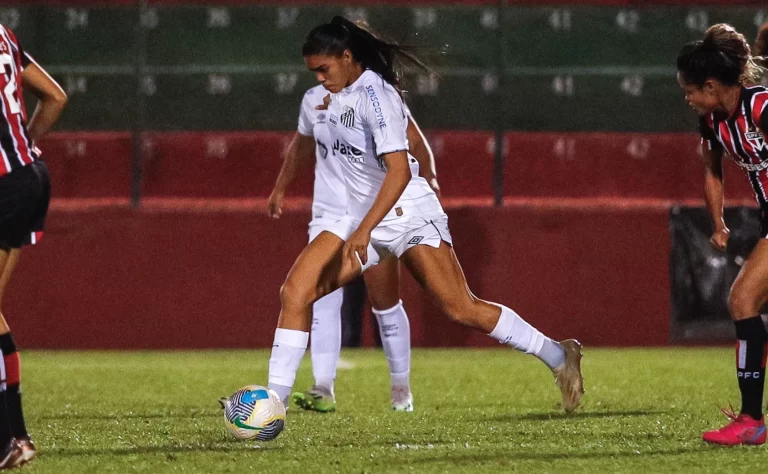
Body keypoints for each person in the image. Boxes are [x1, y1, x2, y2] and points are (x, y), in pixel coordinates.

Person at [264, 16, 584, 421]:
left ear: (347, 57)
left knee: (461, 308)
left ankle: (559, 353)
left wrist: (363, 231)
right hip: (360, 216)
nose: (319, 79)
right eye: (314, 72)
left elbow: (399, 171)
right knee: (295, 292)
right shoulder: (335, 94)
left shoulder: (378, 97)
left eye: (324, 69)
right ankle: (272, 408)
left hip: (408, 214)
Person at [267, 82, 439, 412]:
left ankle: (401, 388)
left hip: (372, 212)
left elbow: (414, 142)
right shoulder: (313, 99)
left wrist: (428, 180)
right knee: (319, 296)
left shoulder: (377, 97)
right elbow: (300, 146)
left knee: (385, 300)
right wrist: (280, 187)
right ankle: (322, 387)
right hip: (328, 214)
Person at [677, 23, 768, 446]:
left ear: (712, 85)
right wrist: (718, 223)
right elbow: (712, 172)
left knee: (743, 299)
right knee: (744, 301)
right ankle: (751, 419)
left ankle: (752, 420)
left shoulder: (761, 107)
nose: (688, 99)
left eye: (691, 91)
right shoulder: (715, 122)